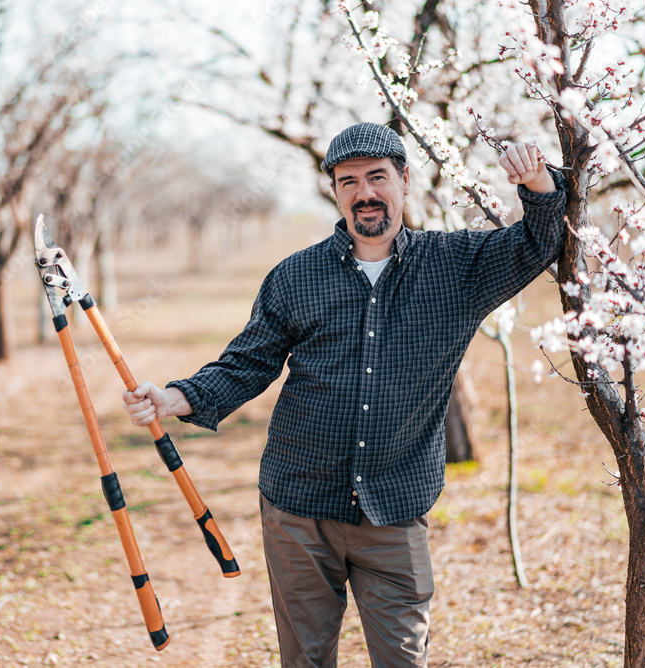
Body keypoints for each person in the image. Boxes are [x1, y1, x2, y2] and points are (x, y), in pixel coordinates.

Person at [122, 122, 566, 667]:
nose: (365, 192)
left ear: (404, 180)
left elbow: (538, 242)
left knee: (403, 657)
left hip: (395, 508)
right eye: (348, 180)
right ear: (335, 191)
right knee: (306, 659)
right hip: (298, 507)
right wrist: (174, 397)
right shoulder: (295, 277)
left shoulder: (456, 268)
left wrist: (539, 185)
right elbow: (248, 363)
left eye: (377, 176)